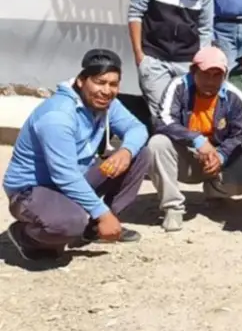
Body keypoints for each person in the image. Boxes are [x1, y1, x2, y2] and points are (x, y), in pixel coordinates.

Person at [3, 50, 151, 261]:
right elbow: (64, 175)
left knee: (140, 154)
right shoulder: (58, 116)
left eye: (113, 84)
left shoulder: (107, 103)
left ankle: (95, 228)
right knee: (69, 223)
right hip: (33, 190)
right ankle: (25, 236)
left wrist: (126, 151)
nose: (106, 90)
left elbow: (137, 128)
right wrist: (102, 212)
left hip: (75, 178)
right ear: (81, 81)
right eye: (100, 82)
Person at [148, 46, 242, 232]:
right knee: (157, 143)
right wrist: (197, 140)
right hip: (187, 155)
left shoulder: (234, 96)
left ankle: (214, 192)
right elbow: (163, 121)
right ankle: (172, 207)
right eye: (205, 74)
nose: (210, 81)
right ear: (193, 71)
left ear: (225, 75)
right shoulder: (178, 87)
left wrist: (221, 155)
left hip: (217, 158)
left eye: (217, 75)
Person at [127, 0, 216, 118]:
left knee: (187, 112)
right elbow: (135, 14)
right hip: (154, 58)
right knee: (162, 113)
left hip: (187, 61)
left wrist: (200, 65)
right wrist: (139, 55)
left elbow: (205, 30)